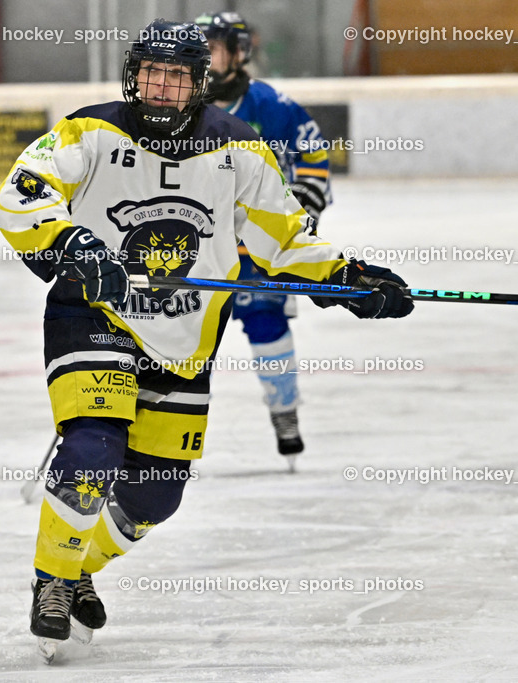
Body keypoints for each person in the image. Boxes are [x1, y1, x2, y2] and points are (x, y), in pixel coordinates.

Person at [0, 19, 413, 656]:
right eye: (152, 75)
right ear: (134, 76)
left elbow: (286, 238)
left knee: (155, 495)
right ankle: (52, 580)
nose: (162, 88)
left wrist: (348, 279)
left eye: (177, 76)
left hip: (185, 335)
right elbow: (19, 194)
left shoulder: (239, 147)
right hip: (94, 314)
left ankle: (78, 569)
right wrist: (71, 243)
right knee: (92, 449)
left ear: (199, 83)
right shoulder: (90, 131)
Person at [195, 11, 333, 460]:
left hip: (257, 251)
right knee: (178, 333)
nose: (204, 54)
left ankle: (284, 409)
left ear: (238, 53)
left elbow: (312, 159)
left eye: (213, 46)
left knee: (266, 325)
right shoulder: (179, 106)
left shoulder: (273, 106)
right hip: (193, 249)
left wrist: (297, 220)